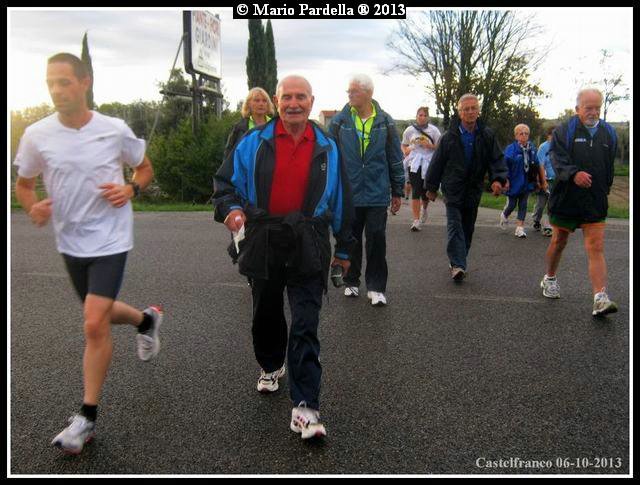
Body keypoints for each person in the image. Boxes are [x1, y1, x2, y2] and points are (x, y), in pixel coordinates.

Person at [13, 53, 163, 455]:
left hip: (111, 238)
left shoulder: (113, 129)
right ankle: (146, 320)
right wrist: (32, 207)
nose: (56, 90)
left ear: (85, 82)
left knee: (94, 322)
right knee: (100, 312)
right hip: (70, 242)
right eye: (50, 83)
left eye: (64, 82)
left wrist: (131, 189)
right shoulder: (37, 135)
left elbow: (145, 168)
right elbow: (24, 185)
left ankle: (86, 417)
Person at [213, 75, 354, 440]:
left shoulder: (328, 145)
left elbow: (342, 198)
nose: (294, 103)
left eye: (300, 97)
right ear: (277, 102)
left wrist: (344, 249)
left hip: (309, 239)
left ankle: (305, 407)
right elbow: (225, 185)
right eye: (287, 97)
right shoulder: (253, 141)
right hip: (264, 237)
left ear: (311, 101)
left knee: (306, 322)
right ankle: (271, 364)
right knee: (266, 312)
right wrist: (231, 210)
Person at [541, 88, 618, 317]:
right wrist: (574, 174)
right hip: (566, 197)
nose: (593, 112)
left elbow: (609, 165)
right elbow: (557, 159)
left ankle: (600, 297)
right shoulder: (565, 130)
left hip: (594, 200)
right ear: (577, 109)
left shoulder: (609, 132)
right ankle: (549, 278)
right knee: (559, 241)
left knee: (596, 245)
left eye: (597, 108)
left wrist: (605, 188)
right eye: (588, 108)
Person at [328, 74, 404, 306]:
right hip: (349, 192)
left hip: (377, 191)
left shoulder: (385, 121)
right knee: (350, 238)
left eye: (354, 91)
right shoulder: (340, 121)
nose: (349, 94)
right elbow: (329, 157)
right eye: (349, 91)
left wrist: (397, 191)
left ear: (368, 93)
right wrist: (330, 190)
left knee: (376, 239)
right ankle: (351, 281)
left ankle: (376, 287)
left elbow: (395, 157)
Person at [425, 94, 509, 281]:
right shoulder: (449, 137)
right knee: (455, 225)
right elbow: (437, 162)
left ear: (478, 111)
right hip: (452, 187)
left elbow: (496, 159)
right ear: (460, 112)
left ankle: (458, 259)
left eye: (473, 108)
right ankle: (458, 265)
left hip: (473, 188)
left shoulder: (486, 135)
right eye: (466, 109)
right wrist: (431, 187)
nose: (470, 112)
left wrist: (498, 179)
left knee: (467, 227)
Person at [499, 124, 546, 238]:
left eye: (526, 133)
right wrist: (505, 180)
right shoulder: (511, 149)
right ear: (516, 136)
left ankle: (519, 229)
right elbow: (504, 166)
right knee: (512, 205)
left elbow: (537, 165)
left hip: (526, 182)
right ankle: (504, 214)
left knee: (523, 204)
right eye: (521, 133)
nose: (524, 135)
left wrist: (540, 180)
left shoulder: (532, 149)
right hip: (513, 182)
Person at [401, 106, 441, 231]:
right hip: (414, 162)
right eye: (420, 115)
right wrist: (406, 150)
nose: (422, 117)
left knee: (425, 192)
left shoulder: (434, 130)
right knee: (416, 190)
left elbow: (441, 147)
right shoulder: (409, 130)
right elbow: (404, 144)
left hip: (428, 162)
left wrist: (430, 145)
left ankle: (424, 208)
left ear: (427, 117)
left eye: (424, 115)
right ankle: (416, 221)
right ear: (416, 116)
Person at [223, 86, 275, 161]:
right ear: (249, 104)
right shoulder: (239, 127)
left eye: (264, 101)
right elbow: (228, 154)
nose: (261, 104)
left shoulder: (274, 125)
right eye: (257, 100)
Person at [532, 125, 556, 236]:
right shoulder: (543, 147)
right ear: (548, 135)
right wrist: (542, 181)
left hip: (556, 181)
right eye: (553, 134)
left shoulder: (560, 147)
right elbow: (540, 165)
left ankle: (548, 226)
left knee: (552, 204)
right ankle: (536, 220)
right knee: (541, 205)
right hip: (544, 180)